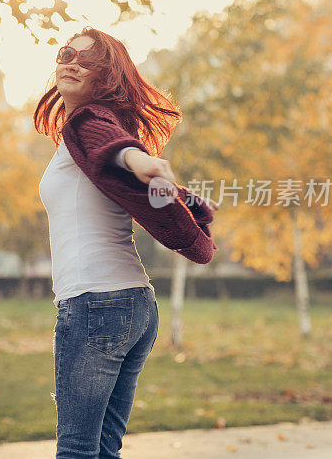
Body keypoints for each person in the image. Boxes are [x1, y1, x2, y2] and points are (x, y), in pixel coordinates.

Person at [35, 27, 219, 458]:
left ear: (107, 77)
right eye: (66, 53)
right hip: (134, 306)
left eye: (88, 60)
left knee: (78, 450)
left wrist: (141, 160)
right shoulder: (84, 132)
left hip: (95, 304)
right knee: (103, 448)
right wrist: (181, 198)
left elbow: (115, 149)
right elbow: (113, 150)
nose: (72, 62)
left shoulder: (88, 123)